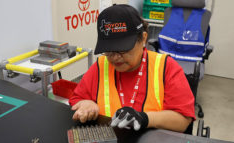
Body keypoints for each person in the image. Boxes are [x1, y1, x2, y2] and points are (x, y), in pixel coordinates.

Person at [69, 4, 195, 133]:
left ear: (143, 39)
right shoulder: (101, 66)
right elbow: (77, 100)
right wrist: (87, 104)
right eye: (108, 51)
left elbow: (183, 121)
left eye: (123, 49)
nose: (115, 58)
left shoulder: (166, 67)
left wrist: (145, 118)